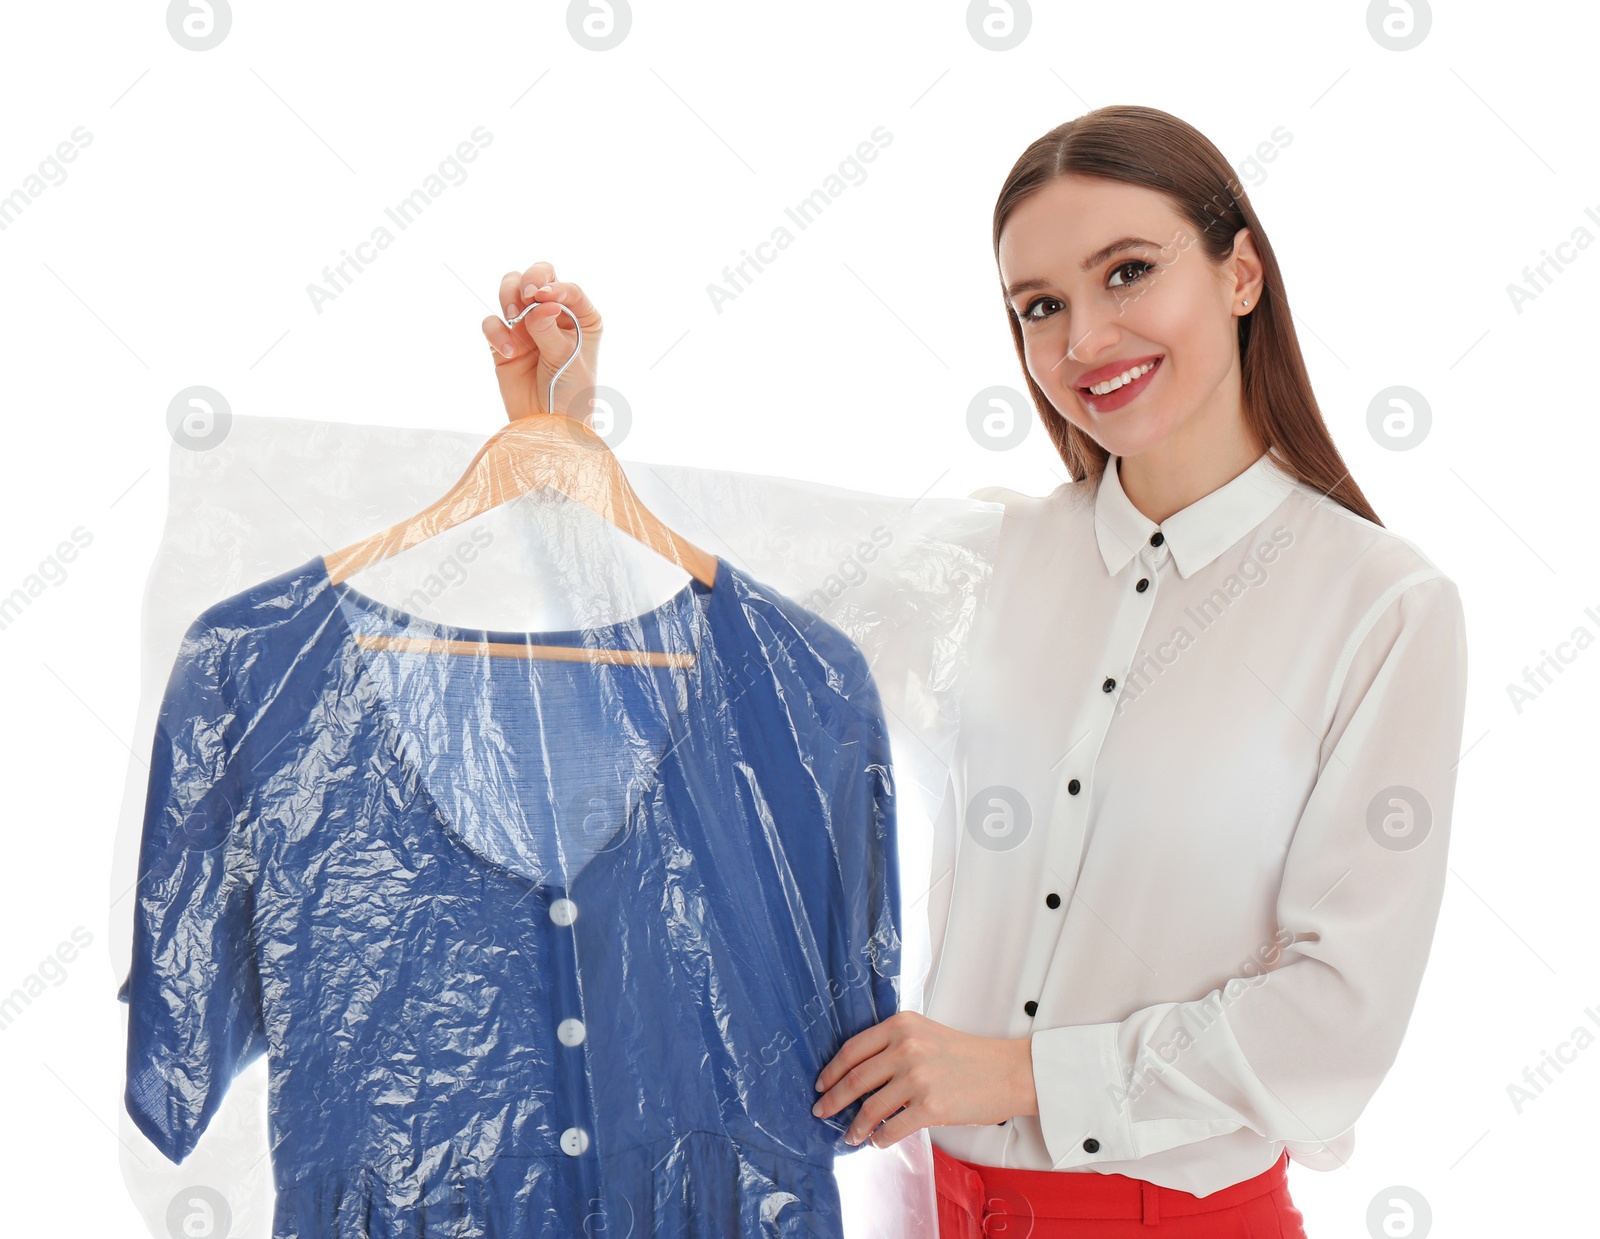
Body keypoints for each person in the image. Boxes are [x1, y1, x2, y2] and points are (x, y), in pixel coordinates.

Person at [477, 104, 1470, 1239]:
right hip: (928, 1208)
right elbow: (688, 676)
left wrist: (1013, 1075)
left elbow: (1335, 1022)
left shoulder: (1382, 608)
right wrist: (563, 442)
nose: (1084, 340)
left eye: (1128, 273)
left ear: (1240, 272)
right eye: (1040, 307)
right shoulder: (980, 566)